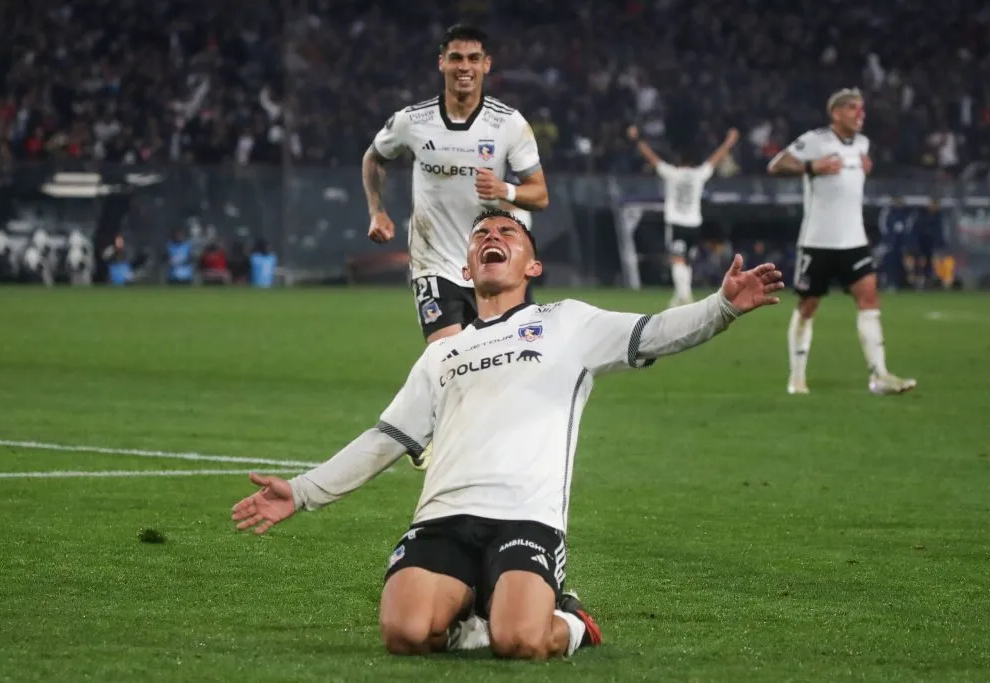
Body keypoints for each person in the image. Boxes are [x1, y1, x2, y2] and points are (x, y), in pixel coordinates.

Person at [231, 208, 784, 661]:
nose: (492, 238)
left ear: (532, 264)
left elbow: (654, 332)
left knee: (520, 642)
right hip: (443, 517)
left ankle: (571, 620)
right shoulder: (441, 354)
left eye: (507, 234)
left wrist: (722, 307)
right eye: (481, 236)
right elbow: (386, 438)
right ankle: (475, 616)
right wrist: (302, 491)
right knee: (405, 634)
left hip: (526, 517)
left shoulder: (570, 323)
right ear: (468, 270)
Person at [362, 23, 548, 347]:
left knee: (504, 369)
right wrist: (377, 211)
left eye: (474, 59)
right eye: (456, 58)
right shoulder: (413, 121)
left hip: (492, 265)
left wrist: (506, 190)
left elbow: (540, 195)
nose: (465, 67)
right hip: (434, 264)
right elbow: (374, 158)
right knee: (449, 363)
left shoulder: (509, 124)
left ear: (486, 65)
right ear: (441, 62)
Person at [767, 88, 916, 395]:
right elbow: (777, 164)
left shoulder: (862, 143)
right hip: (818, 241)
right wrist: (811, 167)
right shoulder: (816, 140)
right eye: (853, 109)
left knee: (869, 299)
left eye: (862, 109)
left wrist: (864, 168)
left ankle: (879, 375)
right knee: (808, 306)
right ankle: (796, 379)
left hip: (854, 240)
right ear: (836, 113)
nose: (861, 114)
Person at [626, 125, 740, 307]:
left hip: (677, 222)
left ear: (679, 161)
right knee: (686, 261)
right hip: (694, 223)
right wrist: (729, 141)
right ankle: (680, 296)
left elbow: (652, 158)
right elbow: (715, 159)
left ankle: (685, 297)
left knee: (677, 260)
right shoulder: (698, 174)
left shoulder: (673, 174)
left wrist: (636, 139)